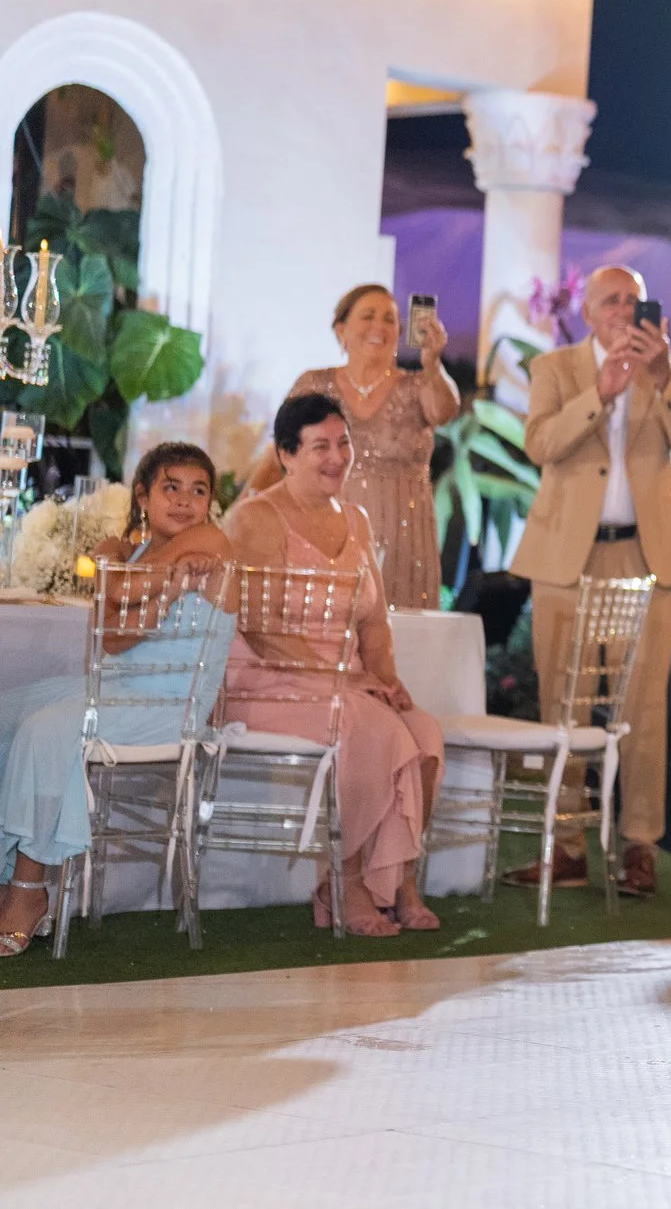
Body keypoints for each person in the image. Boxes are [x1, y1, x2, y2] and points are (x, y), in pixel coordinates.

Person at [507, 265, 671, 898]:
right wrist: (599, 391)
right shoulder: (555, 368)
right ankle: (565, 849)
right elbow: (540, 445)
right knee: (562, 706)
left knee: (643, 709)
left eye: (634, 300)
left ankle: (640, 848)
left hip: (645, 559)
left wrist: (661, 375)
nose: (625, 310)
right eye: (612, 301)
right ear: (588, 312)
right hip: (567, 562)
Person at [0, 442, 238, 956]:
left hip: (172, 707)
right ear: (143, 494)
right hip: (117, 689)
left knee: (50, 728)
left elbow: (124, 595)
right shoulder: (138, 550)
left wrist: (110, 564)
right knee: (8, 713)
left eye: (198, 490)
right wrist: (157, 586)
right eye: (170, 487)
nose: (184, 501)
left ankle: (29, 888)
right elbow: (115, 639)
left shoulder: (210, 539)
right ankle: (4, 877)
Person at [227, 394, 445, 937]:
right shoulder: (255, 516)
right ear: (285, 454)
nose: (336, 457)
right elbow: (259, 628)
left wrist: (388, 681)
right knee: (365, 725)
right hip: (269, 681)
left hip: (346, 683)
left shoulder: (357, 519)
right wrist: (348, 681)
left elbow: (373, 623)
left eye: (343, 443)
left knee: (424, 733)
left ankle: (399, 883)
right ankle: (347, 882)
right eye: (320, 446)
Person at [253, 284, 460, 611]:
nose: (379, 326)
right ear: (341, 330)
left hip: (404, 545)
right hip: (324, 530)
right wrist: (242, 512)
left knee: (396, 644)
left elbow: (445, 413)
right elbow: (279, 455)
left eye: (390, 319)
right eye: (368, 316)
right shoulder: (313, 384)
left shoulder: (419, 385)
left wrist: (433, 364)